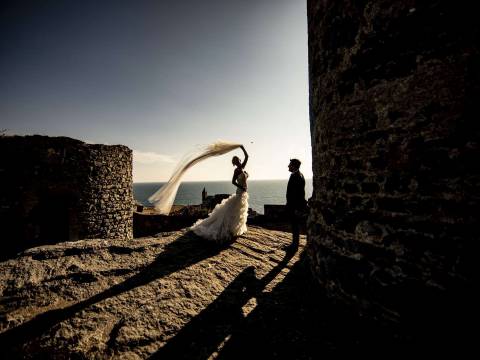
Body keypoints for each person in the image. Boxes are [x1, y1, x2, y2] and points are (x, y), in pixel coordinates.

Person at [190, 145, 249, 243]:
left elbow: (247, 156)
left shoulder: (242, 167)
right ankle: (227, 229)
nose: (238, 161)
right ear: (235, 163)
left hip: (244, 192)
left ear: (240, 160)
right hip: (240, 191)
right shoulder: (237, 170)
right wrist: (241, 187)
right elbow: (233, 181)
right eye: (236, 161)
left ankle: (234, 229)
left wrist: (242, 148)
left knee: (239, 211)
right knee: (234, 210)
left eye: (238, 160)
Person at [285, 158, 307, 250]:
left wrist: (296, 208)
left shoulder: (297, 176)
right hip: (293, 205)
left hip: (295, 206)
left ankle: (294, 245)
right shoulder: (297, 175)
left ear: (294, 166)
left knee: (295, 225)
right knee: (294, 225)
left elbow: (298, 194)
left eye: (290, 164)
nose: (288, 166)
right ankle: (294, 244)